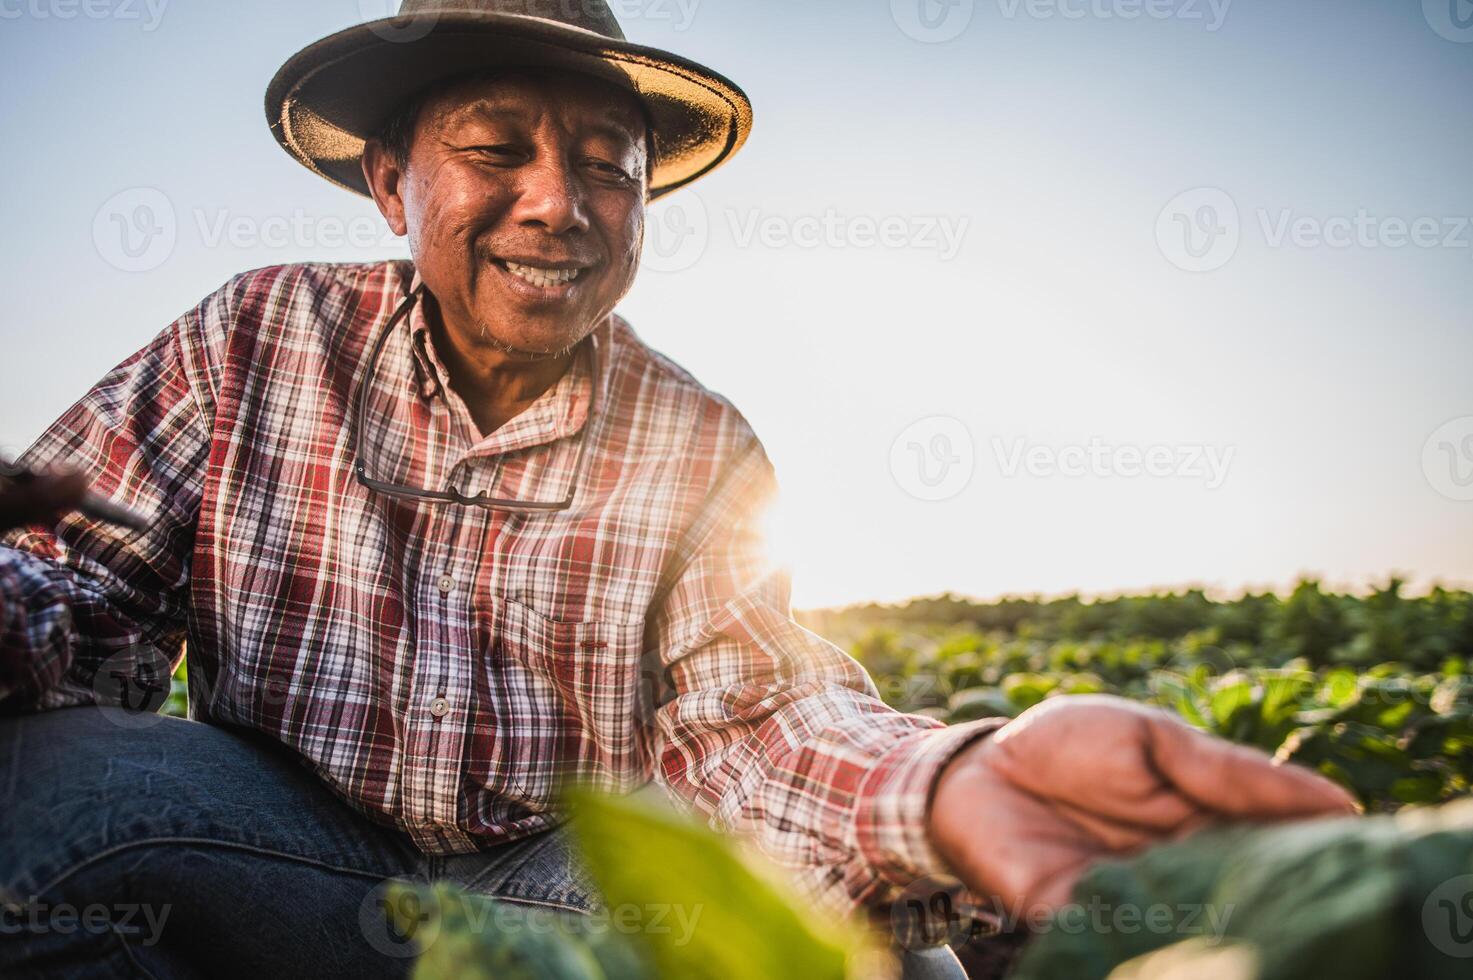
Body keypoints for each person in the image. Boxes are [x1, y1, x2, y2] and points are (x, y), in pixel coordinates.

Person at [0, 2, 1356, 977]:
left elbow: (755, 724)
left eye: (606, 163)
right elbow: (80, 590)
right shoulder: (254, 335)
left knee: (837, 955)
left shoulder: (694, 440)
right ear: (388, 181)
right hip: (269, 842)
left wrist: (948, 781)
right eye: (496, 150)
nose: (558, 203)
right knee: (54, 785)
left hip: (548, 885)